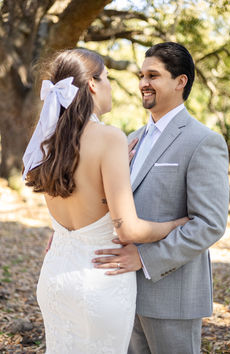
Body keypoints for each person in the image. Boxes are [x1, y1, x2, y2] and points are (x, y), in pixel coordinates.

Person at [22, 48, 188, 354]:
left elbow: (78, 193)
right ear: (92, 85)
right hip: (98, 280)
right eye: (107, 78)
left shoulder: (49, 141)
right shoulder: (109, 137)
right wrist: (177, 223)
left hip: (55, 277)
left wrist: (116, 167)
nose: (111, 86)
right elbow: (129, 230)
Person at [92, 42, 229, 354]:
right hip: (123, 290)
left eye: (153, 75)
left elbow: (208, 225)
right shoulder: (131, 140)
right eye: (141, 75)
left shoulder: (204, 141)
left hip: (172, 294)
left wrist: (144, 258)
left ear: (180, 81)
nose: (143, 83)